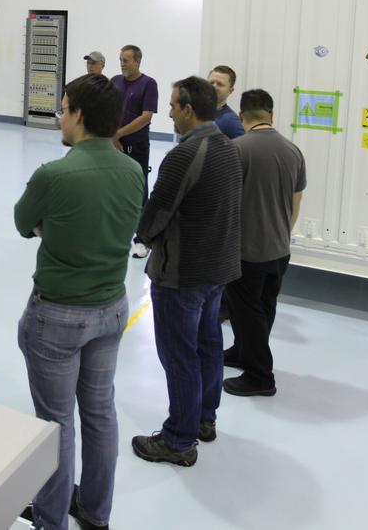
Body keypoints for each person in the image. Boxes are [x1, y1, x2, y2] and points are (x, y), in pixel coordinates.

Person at [14, 74, 142, 530]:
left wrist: (51, 228)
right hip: (112, 308)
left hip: (58, 316)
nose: (60, 118)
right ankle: (96, 511)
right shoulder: (133, 171)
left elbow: (23, 222)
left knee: (55, 422)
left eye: (64, 108)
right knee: (100, 411)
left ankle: (52, 521)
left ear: (79, 116)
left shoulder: (54, 175)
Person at [131, 77, 243, 468]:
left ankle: (179, 440)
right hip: (216, 269)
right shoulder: (228, 147)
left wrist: (142, 237)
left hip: (182, 274)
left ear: (188, 109)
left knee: (180, 356)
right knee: (208, 345)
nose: (169, 112)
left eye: (173, 105)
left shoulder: (185, 154)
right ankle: (204, 419)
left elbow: (157, 211)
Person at [223, 89, 306, 397]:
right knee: (265, 307)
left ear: (241, 116)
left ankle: (260, 376)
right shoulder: (293, 151)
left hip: (247, 250)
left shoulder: (236, 149)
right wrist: (282, 233)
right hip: (279, 248)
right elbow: (296, 202)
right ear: (271, 114)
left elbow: (225, 202)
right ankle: (242, 352)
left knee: (246, 312)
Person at [111, 45, 158, 259]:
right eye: (121, 59)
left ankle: (142, 240)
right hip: (113, 145)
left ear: (137, 61)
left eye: (126, 60)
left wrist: (119, 133)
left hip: (136, 146)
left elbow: (146, 116)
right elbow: (107, 108)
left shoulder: (148, 84)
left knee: (139, 190)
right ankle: (116, 234)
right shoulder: (115, 81)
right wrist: (111, 137)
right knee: (114, 188)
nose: (122, 63)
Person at [208, 65, 245, 140]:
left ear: (230, 91)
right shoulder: (194, 113)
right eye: (211, 82)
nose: (214, 86)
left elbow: (243, 145)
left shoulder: (230, 121)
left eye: (220, 84)